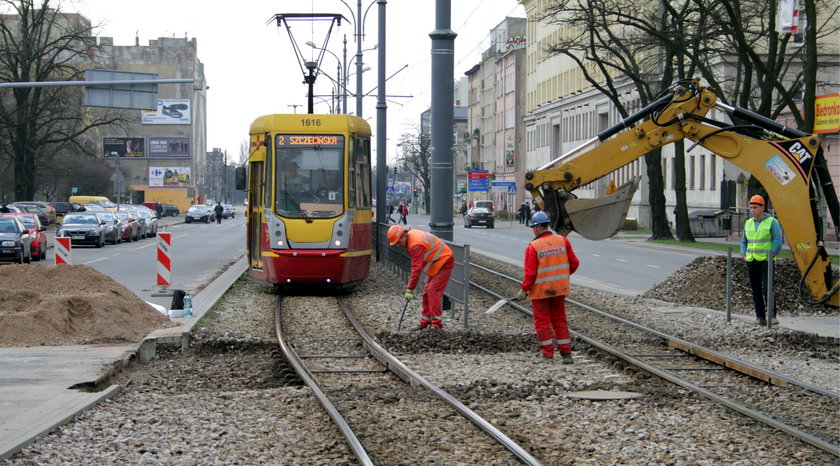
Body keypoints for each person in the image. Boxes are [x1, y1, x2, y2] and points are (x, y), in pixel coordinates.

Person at [517, 211, 580, 364]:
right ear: (548, 225)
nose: (533, 229)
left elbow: (530, 274)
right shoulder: (562, 240)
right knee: (559, 320)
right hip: (559, 289)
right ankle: (566, 355)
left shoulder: (533, 247)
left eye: (533, 227)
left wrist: (524, 290)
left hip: (540, 292)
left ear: (537, 227)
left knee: (542, 322)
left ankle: (547, 355)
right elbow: (574, 263)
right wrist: (561, 276)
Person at [388, 224, 454, 330]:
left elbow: (416, 269)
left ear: (403, 236)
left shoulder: (415, 245)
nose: (398, 245)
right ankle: (425, 322)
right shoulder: (411, 238)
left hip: (444, 261)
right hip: (436, 263)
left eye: (398, 242)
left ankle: (436, 325)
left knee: (433, 290)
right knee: (426, 292)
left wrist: (410, 289)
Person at [741, 194, 782, 326]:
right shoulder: (748, 223)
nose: (752, 210)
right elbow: (744, 241)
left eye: (755, 207)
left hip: (766, 261)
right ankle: (760, 316)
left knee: (767, 289)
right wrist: (744, 254)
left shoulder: (771, 222)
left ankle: (772, 314)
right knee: (756, 289)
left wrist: (771, 255)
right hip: (751, 260)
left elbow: (778, 240)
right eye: (751, 207)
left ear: (762, 207)